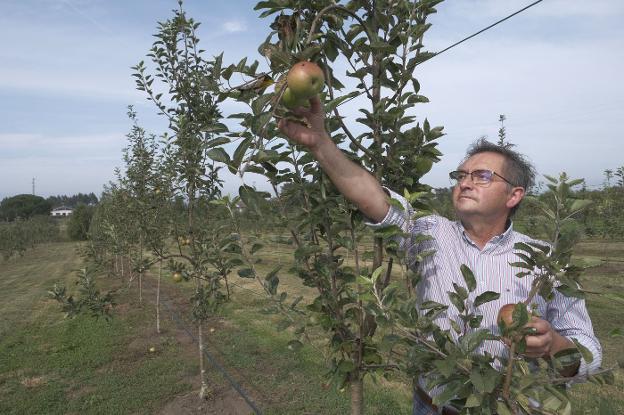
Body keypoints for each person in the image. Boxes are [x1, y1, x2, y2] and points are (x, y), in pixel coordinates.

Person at [278, 96, 602, 415]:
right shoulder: (430, 233)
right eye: (460, 176)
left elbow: (588, 355)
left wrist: (553, 345)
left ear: (514, 195)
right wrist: (321, 144)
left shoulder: (544, 259)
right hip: (431, 405)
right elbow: (371, 198)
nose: (465, 183)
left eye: (482, 176)